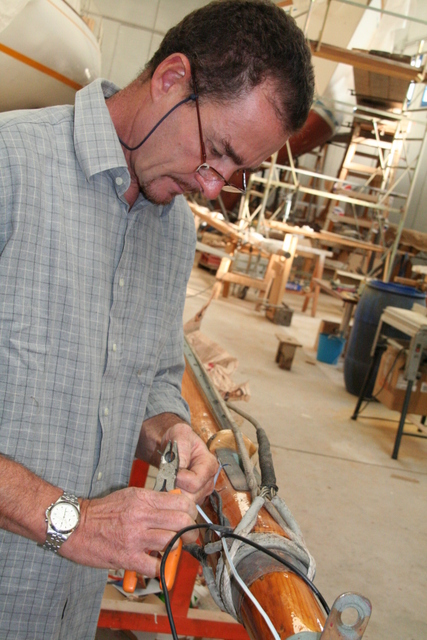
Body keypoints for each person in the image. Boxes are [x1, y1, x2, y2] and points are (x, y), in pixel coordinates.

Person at [0, 0, 314, 637]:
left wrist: (174, 431)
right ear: (172, 79)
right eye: (216, 151)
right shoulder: (12, 169)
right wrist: (70, 521)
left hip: (65, 610)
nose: (212, 187)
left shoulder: (172, 235)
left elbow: (149, 378)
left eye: (236, 173)